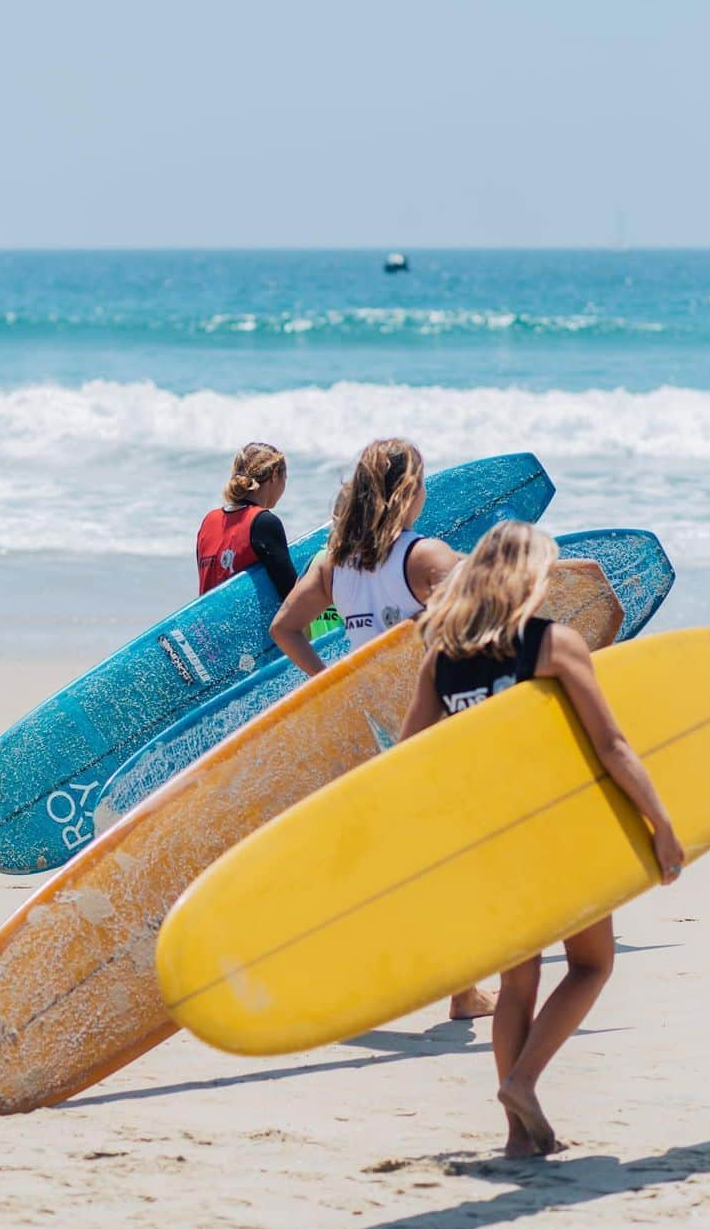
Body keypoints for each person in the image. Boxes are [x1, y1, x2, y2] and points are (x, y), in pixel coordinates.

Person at [398, 520, 685, 1158]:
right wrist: (661, 825)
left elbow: (407, 760)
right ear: (530, 579)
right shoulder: (552, 645)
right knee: (592, 964)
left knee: (518, 979)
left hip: (489, 841)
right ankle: (524, 1081)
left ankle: (517, 1138)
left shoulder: (442, 661)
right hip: (558, 832)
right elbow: (611, 744)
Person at [271, 437, 495, 1020]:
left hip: (376, 728)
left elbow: (285, 628)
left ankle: (366, 967)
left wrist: (332, 681)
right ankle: (462, 990)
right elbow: (484, 620)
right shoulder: (425, 557)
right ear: (409, 493)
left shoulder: (333, 562)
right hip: (442, 722)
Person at [196, 443, 296, 599]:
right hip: (250, 624)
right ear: (275, 474)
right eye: (285, 478)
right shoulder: (264, 522)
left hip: (206, 623)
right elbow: (291, 597)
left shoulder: (209, 522)